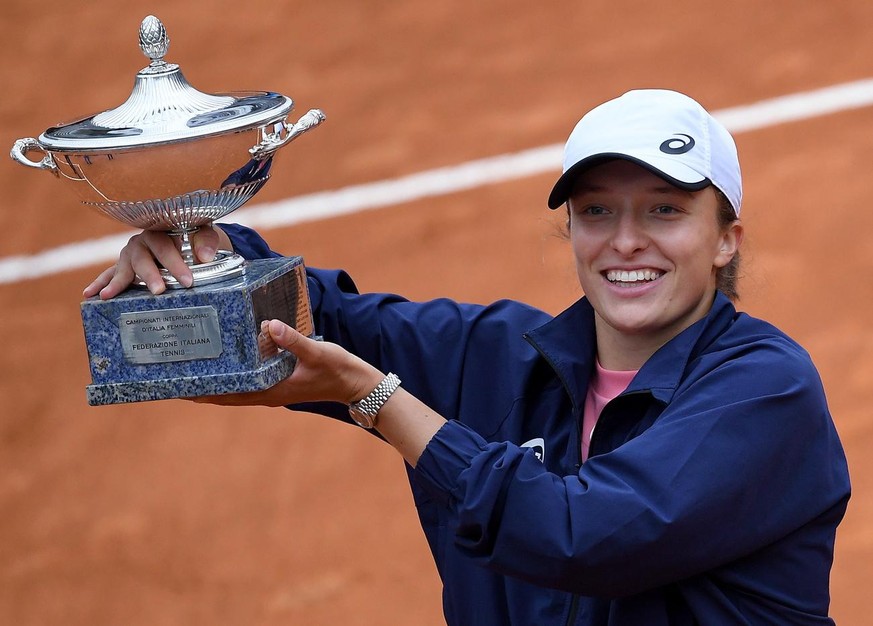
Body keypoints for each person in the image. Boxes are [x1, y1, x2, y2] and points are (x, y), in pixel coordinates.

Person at [85, 89, 851, 625]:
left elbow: (579, 534)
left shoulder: (763, 391)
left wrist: (379, 400)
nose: (624, 241)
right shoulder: (494, 358)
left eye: (664, 210)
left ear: (726, 240)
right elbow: (326, 316)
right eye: (596, 212)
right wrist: (207, 258)